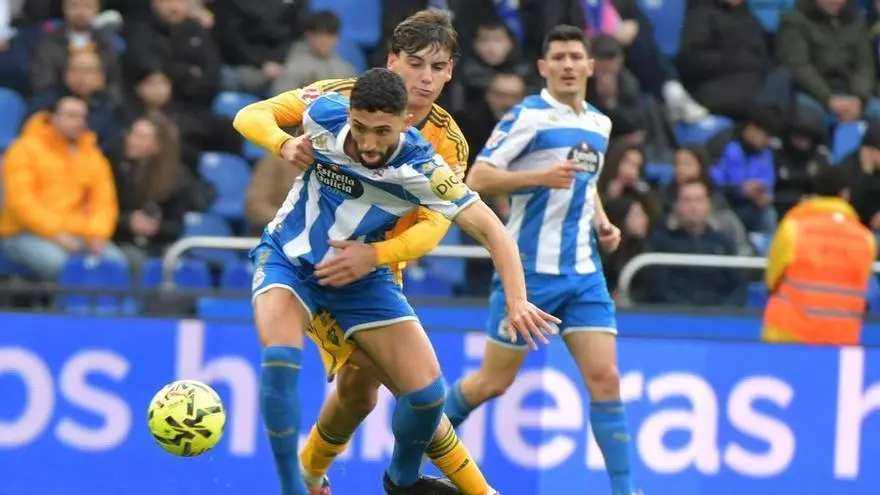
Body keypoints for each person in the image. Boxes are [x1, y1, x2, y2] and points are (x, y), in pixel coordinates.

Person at [243, 68, 557, 495]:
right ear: (349, 113)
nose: (368, 143)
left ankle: (401, 482)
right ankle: (292, 488)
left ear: (405, 122)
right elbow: (248, 115)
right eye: (360, 127)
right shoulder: (324, 111)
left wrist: (518, 301)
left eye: (382, 132)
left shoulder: (423, 167)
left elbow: (493, 231)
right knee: (281, 357)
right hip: (289, 261)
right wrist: (282, 143)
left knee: (426, 394)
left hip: (362, 282)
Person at [442, 26, 642, 495]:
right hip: (527, 273)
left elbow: (584, 183)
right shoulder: (528, 116)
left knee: (606, 379)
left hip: (583, 271)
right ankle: (421, 430)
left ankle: (625, 491)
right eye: (559, 57)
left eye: (576, 56)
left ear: (591, 66)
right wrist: (537, 176)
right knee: (492, 383)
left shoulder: (599, 123)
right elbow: (480, 177)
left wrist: (602, 220)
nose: (569, 65)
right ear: (543, 68)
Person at [762, 166, 877, 345]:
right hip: (840, 342)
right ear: (845, 194)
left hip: (788, 338)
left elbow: (772, 280)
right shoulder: (866, 240)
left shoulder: (793, 228)